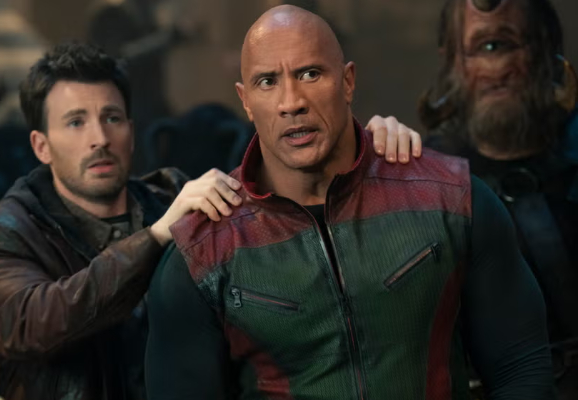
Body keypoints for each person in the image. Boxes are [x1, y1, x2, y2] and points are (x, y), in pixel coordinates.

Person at [0, 42, 418, 400]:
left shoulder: (175, 197)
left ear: (131, 130)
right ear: (41, 145)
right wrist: (157, 236)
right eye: (76, 122)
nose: (99, 138)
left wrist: (363, 152)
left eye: (112, 118)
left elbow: (289, 215)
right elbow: (31, 323)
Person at [145, 5, 553, 400]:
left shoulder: (451, 198)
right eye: (267, 81)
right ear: (246, 100)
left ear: (348, 82)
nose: (292, 101)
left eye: (310, 74)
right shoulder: (203, 251)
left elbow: (520, 367)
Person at [418, 0, 578, 397]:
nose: (495, 71)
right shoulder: (428, 179)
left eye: (503, 45)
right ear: (453, 62)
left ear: (546, 51)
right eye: (483, 48)